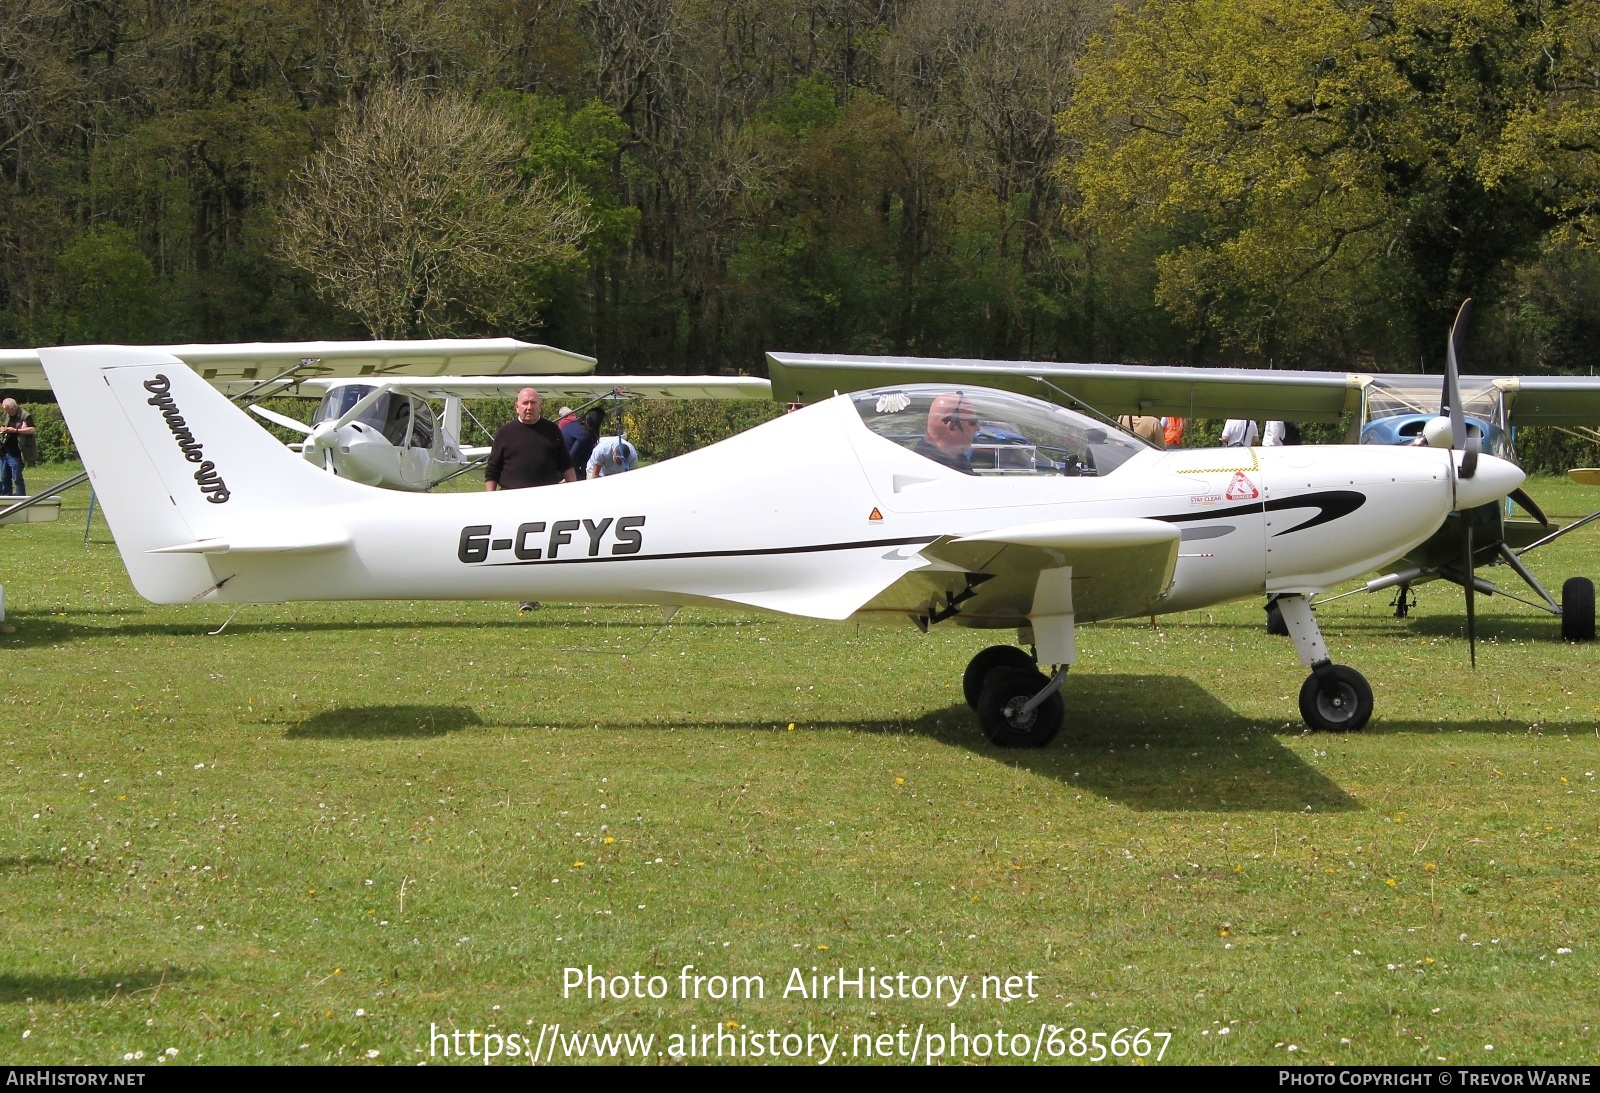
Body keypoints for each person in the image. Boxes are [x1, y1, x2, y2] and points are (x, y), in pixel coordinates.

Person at [484, 387, 574, 614]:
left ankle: (530, 594)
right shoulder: (505, 433)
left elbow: (566, 466)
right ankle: (523, 590)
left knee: (539, 549)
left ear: (540, 406)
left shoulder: (552, 431)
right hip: (512, 502)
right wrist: (490, 499)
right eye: (525, 403)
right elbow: (492, 470)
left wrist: (575, 492)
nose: (529, 407)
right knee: (518, 549)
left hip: (545, 502)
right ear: (517, 406)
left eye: (534, 403)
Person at [913, 393, 979, 474]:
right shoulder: (930, 469)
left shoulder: (957, 458)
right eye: (973, 422)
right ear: (953, 426)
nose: (977, 428)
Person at [1, 398, 36, 496]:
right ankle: (6, 499)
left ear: (15, 407)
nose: (7, 413)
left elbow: (32, 430)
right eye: (6, 411)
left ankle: (21, 499)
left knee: (17, 478)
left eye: (9, 411)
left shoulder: (25, 415)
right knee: (4, 478)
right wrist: (4, 429)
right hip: (5, 452)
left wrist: (15, 431)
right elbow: (6, 425)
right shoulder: (8, 415)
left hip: (16, 453)